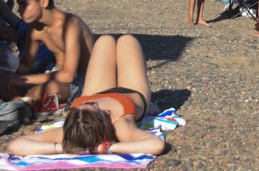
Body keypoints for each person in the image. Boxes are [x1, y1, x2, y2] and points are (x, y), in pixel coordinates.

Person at [8, 34, 165, 156]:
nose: (95, 104)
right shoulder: (121, 126)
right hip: (130, 92)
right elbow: (156, 144)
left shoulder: (70, 130)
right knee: (127, 40)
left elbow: (15, 145)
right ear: (103, 120)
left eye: (76, 109)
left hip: (94, 91)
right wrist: (106, 148)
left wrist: (61, 149)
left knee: (105, 40)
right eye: (93, 107)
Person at [11, 0, 95, 110]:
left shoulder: (70, 25)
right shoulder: (36, 28)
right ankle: (22, 101)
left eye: (24, 4)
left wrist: (24, 80)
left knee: (50, 88)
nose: (19, 10)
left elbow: (68, 75)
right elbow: (25, 65)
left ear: (44, 2)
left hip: (81, 81)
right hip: (52, 73)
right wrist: (12, 80)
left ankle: (19, 102)